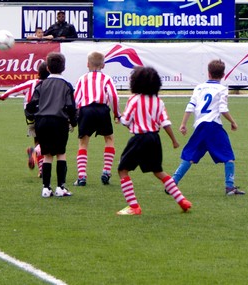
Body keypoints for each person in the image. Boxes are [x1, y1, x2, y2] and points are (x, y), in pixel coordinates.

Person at [116, 65, 191, 216]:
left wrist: (119, 117)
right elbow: (165, 123)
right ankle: (182, 200)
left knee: (122, 170)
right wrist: (174, 140)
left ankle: (134, 207)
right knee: (158, 171)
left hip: (139, 139)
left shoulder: (134, 99)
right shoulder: (158, 101)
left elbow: (126, 120)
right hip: (154, 139)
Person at [173, 59, 244, 195]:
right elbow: (223, 109)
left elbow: (190, 106)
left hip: (200, 126)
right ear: (223, 75)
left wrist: (183, 124)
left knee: (190, 155)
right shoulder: (222, 89)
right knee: (228, 156)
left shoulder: (199, 87)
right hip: (213, 126)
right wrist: (233, 122)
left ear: (208, 73)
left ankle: (173, 182)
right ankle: (229, 187)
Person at [26, 52, 77, 198]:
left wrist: (32, 117)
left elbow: (31, 105)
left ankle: (46, 188)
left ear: (47, 68)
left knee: (47, 154)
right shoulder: (66, 85)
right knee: (61, 153)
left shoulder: (41, 84)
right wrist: (73, 122)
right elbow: (71, 106)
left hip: (42, 122)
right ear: (64, 68)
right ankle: (60, 187)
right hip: (59, 121)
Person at [72, 51, 121, 187]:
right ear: (103, 65)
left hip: (86, 110)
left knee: (83, 143)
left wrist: (74, 116)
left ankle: (82, 176)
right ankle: (106, 171)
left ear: (87, 64)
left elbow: (75, 99)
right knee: (109, 139)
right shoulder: (107, 79)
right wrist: (116, 114)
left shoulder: (82, 79)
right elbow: (113, 96)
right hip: (102, 110)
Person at [0, 64, 45, 175]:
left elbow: (17, 88)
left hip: (30, 116)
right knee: (47, 141)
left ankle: (41, 170)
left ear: (38, 73)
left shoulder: (32, 83)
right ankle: (35, 153)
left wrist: (4, 96)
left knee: (37, 139)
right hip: (45, 115)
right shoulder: (52, 84)